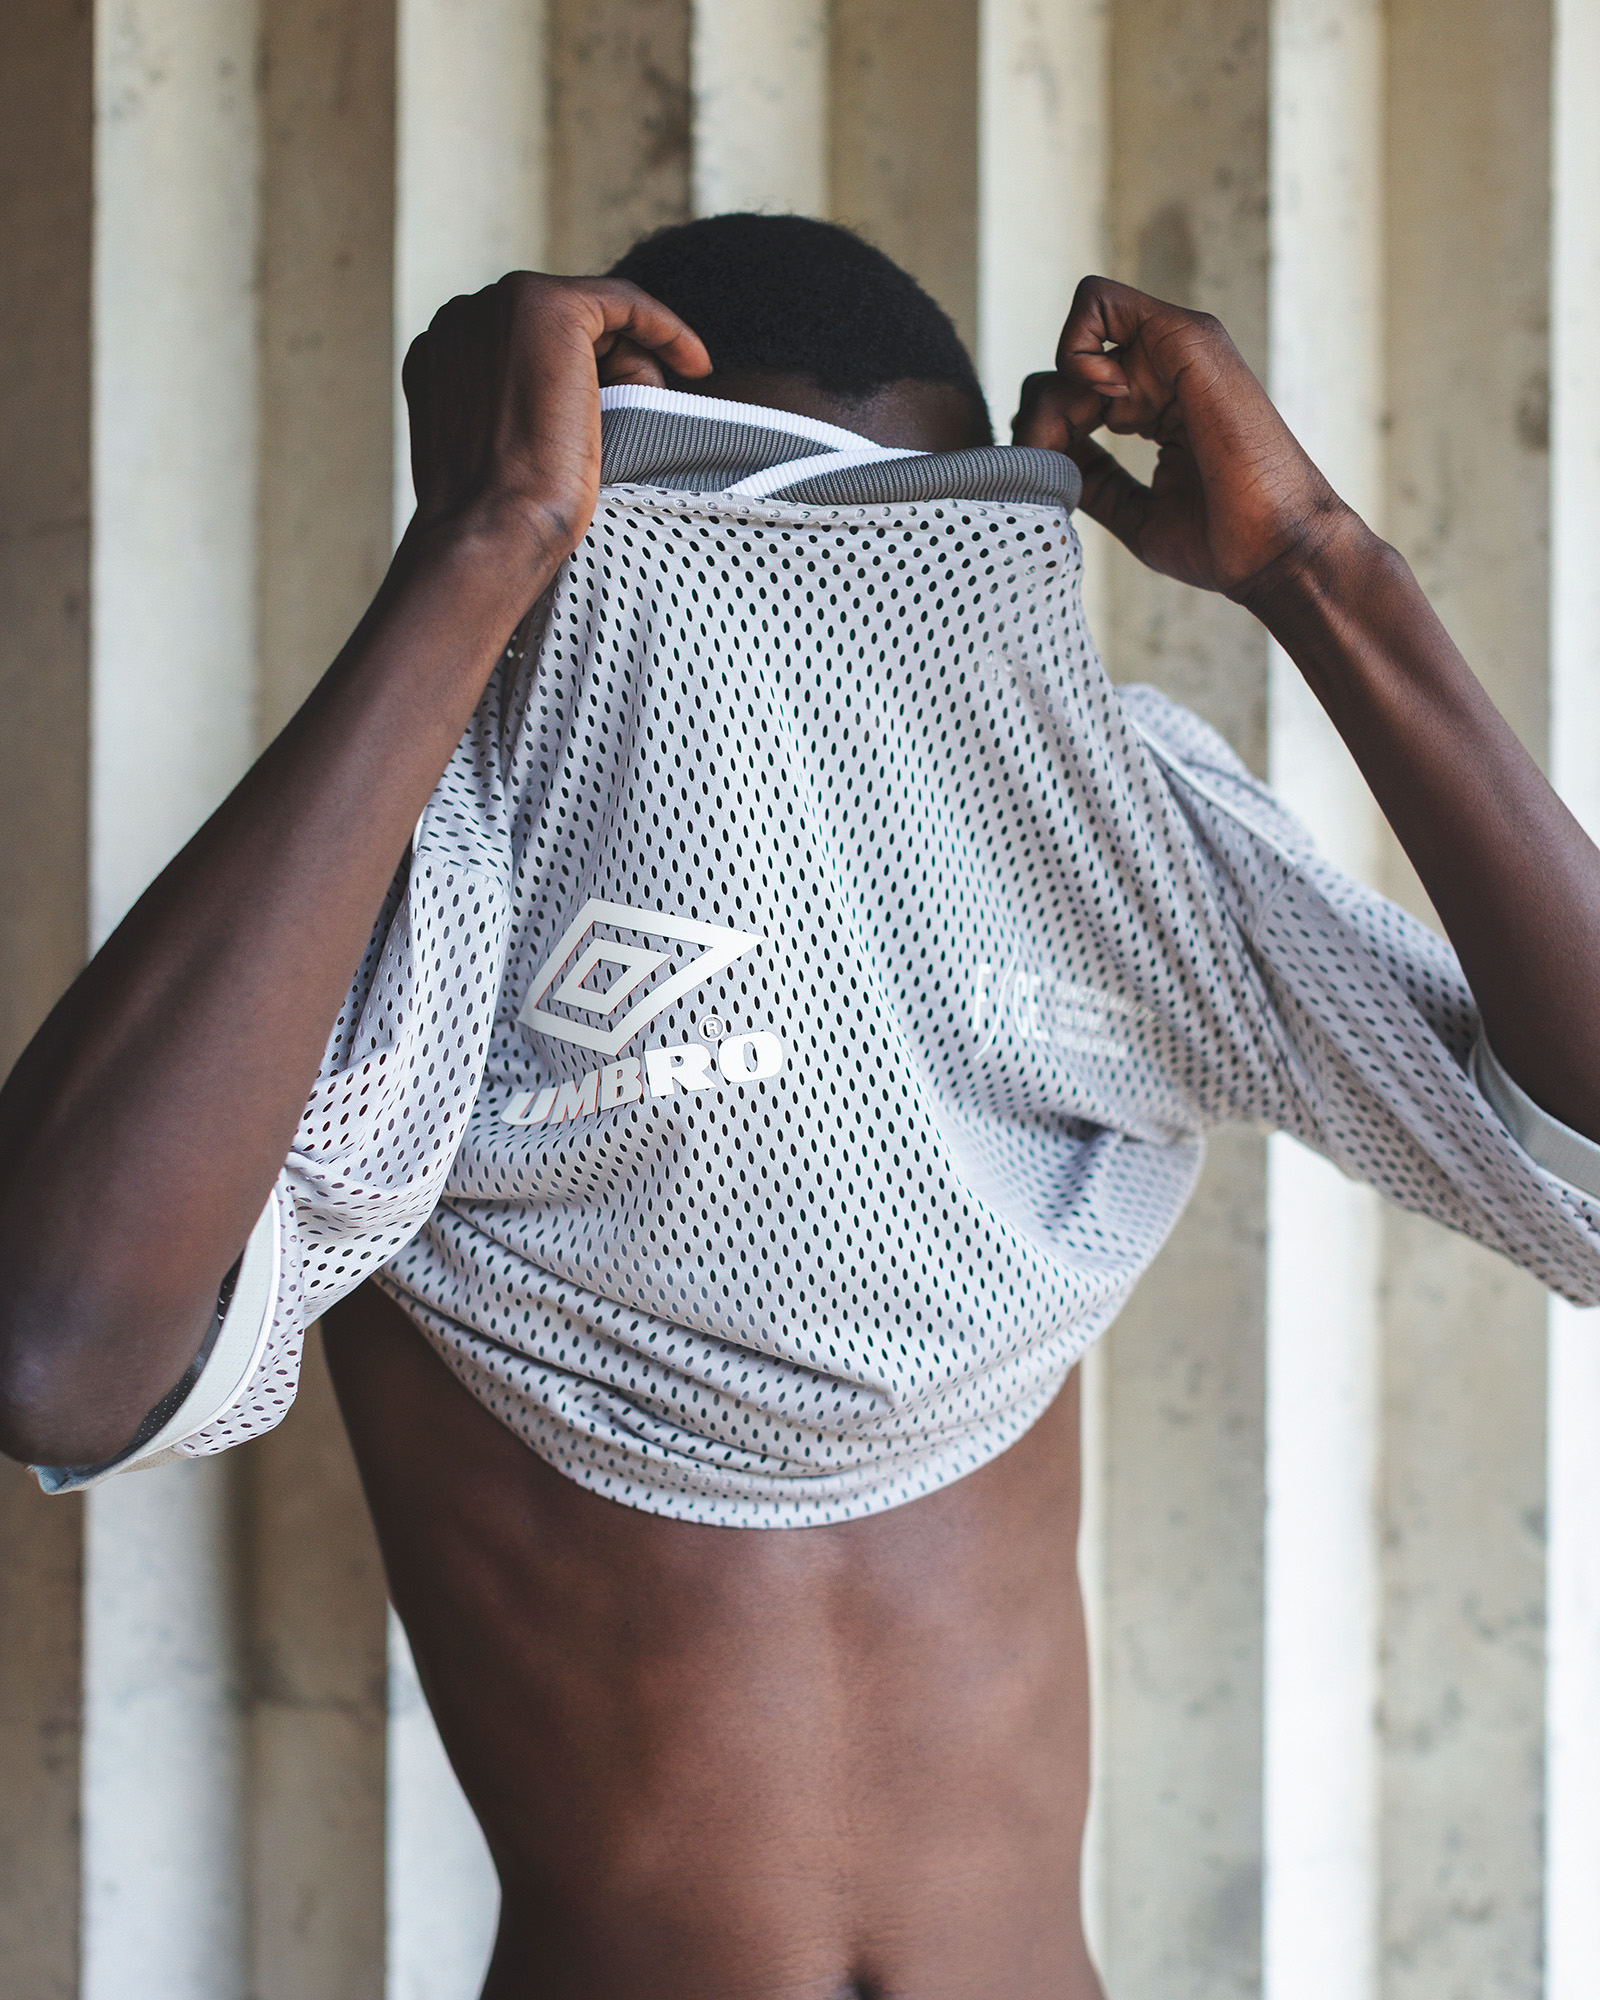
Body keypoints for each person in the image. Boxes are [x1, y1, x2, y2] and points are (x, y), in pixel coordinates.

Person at [3, 212, 1600, 1998]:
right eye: (756, 556)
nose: (838, 641)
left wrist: (1318, 565)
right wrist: (480, 540)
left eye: (916, 557)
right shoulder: (439, 857)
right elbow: (56, 1356)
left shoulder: (1094, 817)